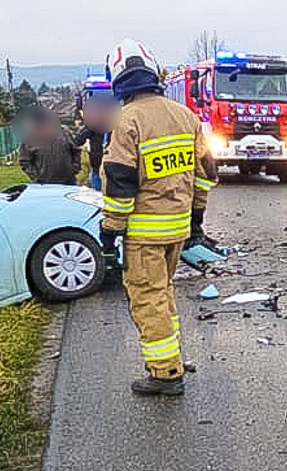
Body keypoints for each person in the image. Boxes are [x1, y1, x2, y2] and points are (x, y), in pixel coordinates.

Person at [99, 38, 218, 396]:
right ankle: (173, 358)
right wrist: (196, 220)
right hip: (177, 230)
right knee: (163, 294)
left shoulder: (127, 121)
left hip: (144, 234)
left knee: (148, 298)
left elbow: (120, 184)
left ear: (118, 80)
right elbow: (205, 174)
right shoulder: (185, 116)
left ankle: (166, 373)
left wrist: (110, 232)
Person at [18, 107, 81, 185]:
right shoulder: (29, 138)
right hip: (43, 185)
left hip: (68, 182)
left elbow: (75, 151)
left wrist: (74, 168)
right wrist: (37, 176)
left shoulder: (64, 133)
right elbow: (25, 161)